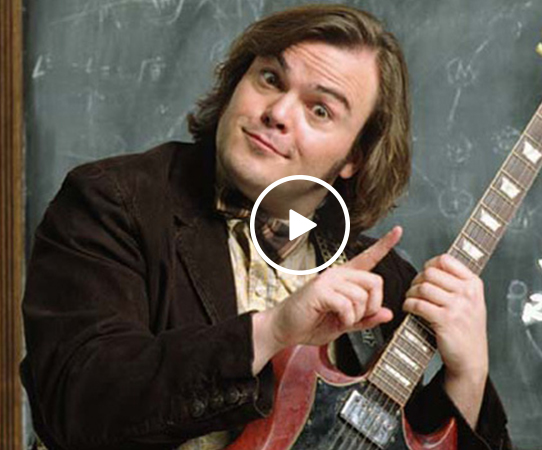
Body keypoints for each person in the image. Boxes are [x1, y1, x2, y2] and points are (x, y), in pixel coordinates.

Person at [21, 4, 511, 450]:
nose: (277, 113)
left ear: (355, 157)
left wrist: (467, 376)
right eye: (271, 79)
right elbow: (77, 406)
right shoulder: (113, 203)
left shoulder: (381, 283)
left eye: (320, 110)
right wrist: (272, 331)